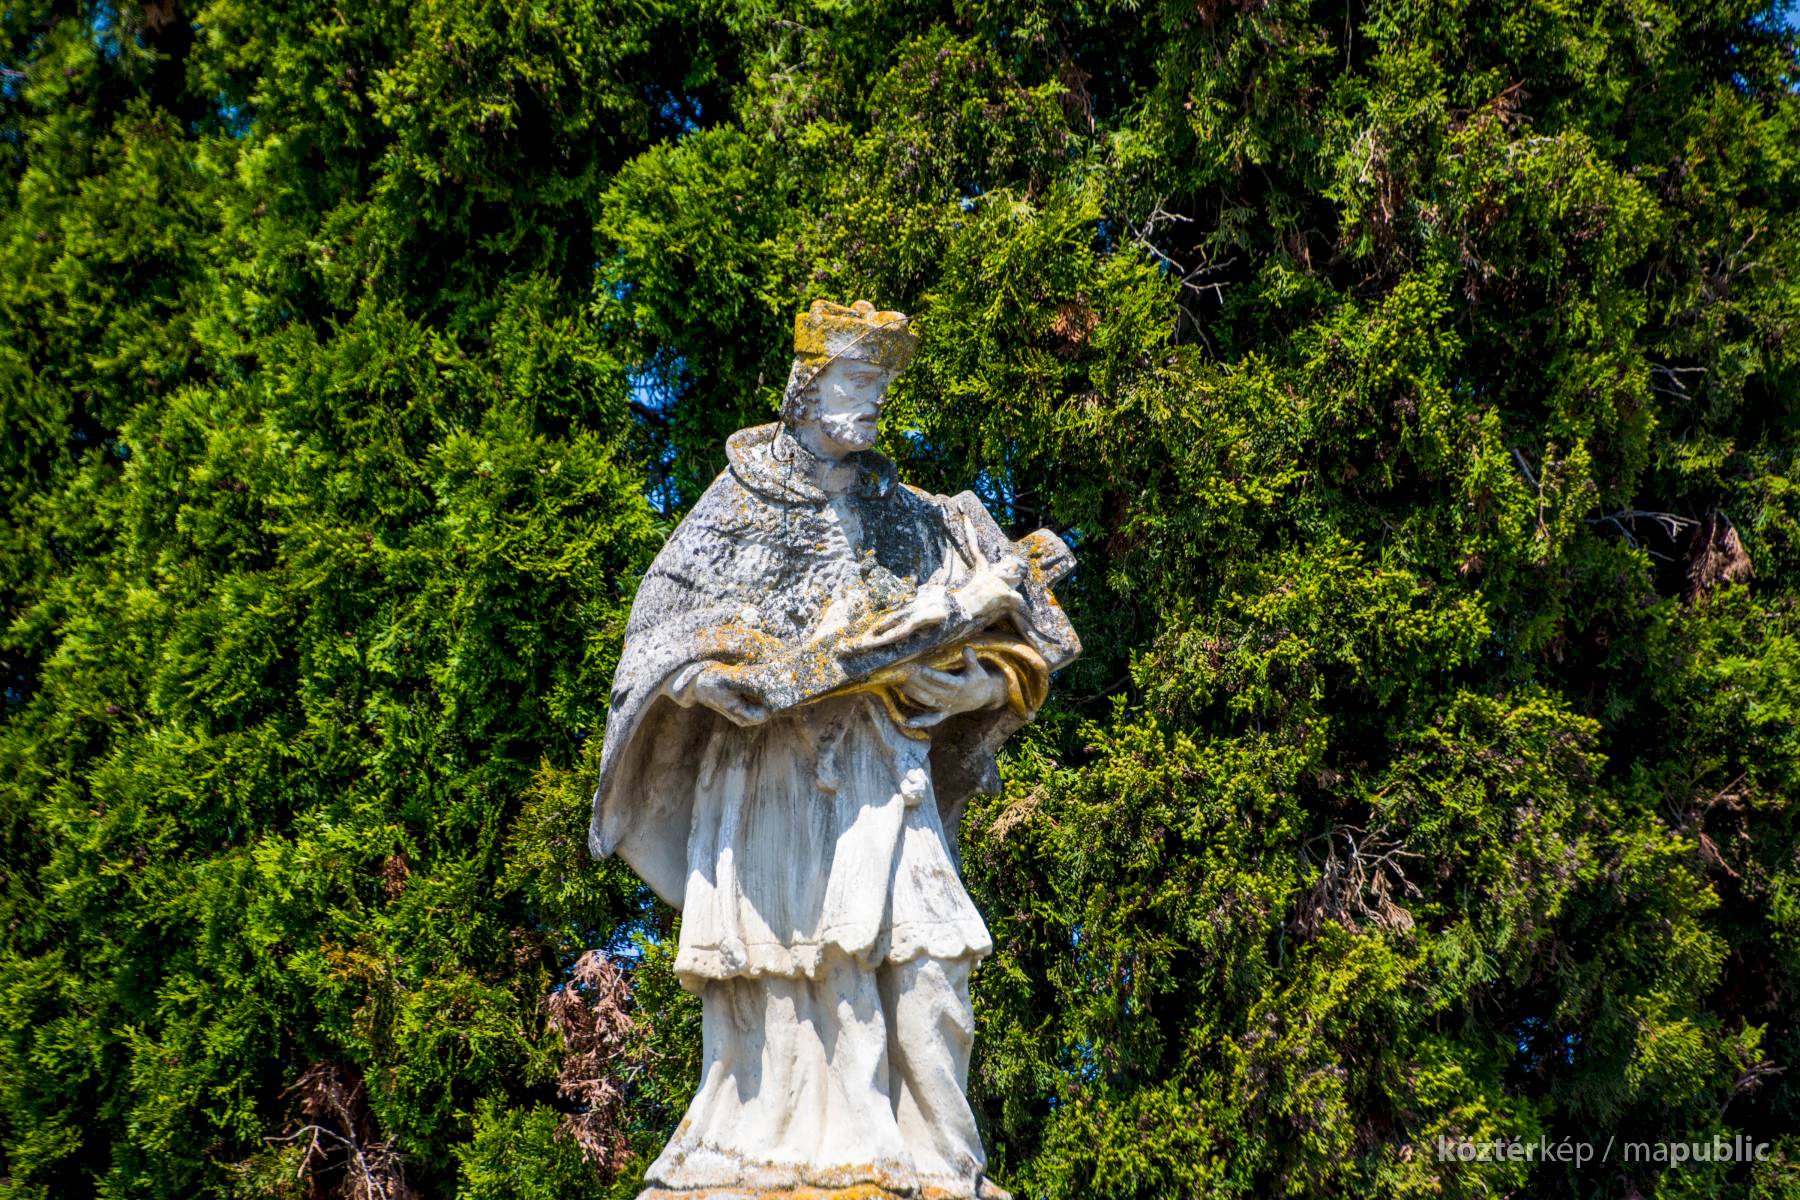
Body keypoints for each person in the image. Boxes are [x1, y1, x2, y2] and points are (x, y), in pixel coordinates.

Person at [590, 300, 1077, 1199]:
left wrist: (973, 686)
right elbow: (660, 640)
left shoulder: (913, 519)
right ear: (807, 388)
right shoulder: (736, 506)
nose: (876, 398)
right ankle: (800, 1149)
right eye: (860, 378)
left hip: (884, 767)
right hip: (773, 776)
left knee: (934, 962)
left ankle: (945, 1163)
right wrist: (711, 679)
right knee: (802, 962)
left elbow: (1023, 651)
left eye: (884, 382)